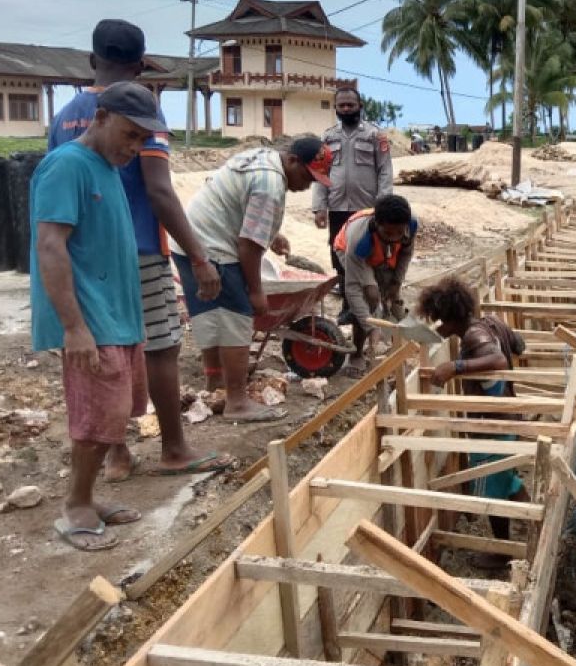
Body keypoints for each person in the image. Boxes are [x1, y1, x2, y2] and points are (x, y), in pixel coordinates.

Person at [47, 19, 232, 481]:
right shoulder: (141, 111)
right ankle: (173, 448)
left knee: (107, 350)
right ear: (139, 66)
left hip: (83, 256)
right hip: (140, 249)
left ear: (93, 61)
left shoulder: (64, 115)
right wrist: (201, 258)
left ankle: (118, 453)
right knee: (161, 347)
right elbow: (159, 191)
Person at [32, 83, 169, 550]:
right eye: (129, 136)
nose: (134, 149)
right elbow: (50, 245)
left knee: (113, 417)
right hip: (91, 319)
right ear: (102, 116)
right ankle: (74, 508)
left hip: (119, 316)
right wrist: (74, 327)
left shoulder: (107, 166)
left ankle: (88, 498)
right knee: (94, 421)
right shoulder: (67, 165)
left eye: (141, 141)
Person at [172, 137, 332, 421]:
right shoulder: (270, 185)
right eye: (308, 176)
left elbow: (240, 206)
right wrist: (256, 292)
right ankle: (237, 401)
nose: (309, 185)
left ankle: (214, 385)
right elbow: (248, 246)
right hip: (214, 247)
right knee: (237, 319)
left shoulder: (264, 157)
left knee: (208, 314)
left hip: (188, 242)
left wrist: (271, 234)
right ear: (293, 161)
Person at [417, 277, 528, 569]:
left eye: (440, 322)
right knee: (507, 479)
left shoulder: (472, 336)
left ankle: (502, 551)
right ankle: (535, 526)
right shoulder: (491, 322)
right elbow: (520, 345)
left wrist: (456, 366)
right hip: (509, 416)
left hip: (492, 424)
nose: (438, 327)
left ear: (452, 318)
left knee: (493, 487)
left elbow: (498, 360)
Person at [312, 88, 393, 312]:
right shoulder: (328, 137)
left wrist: (383, 205)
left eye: (351, 105)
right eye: (342, 106)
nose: (346, 109)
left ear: (360, 106)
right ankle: (350, 307)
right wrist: (319, 207)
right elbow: (321, 173)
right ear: (336, 108)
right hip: (337, 208)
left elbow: (385, 171)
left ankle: (373, 305)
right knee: (339, 257)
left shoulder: (375, 135)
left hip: (366, 209)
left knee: (367, 255)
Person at [333, 194, 418, 377]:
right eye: (388, 233)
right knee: (369, 296)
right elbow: (353, 290)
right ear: (376, 224)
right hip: (350, 251)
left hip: (380, 254)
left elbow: (405, 253)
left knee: (389, 295)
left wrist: (396, 282)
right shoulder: (358, 239)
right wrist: (371, 326)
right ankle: (356, 354)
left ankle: (392, 346)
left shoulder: (409, 225)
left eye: (398, 233)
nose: (394, 238)